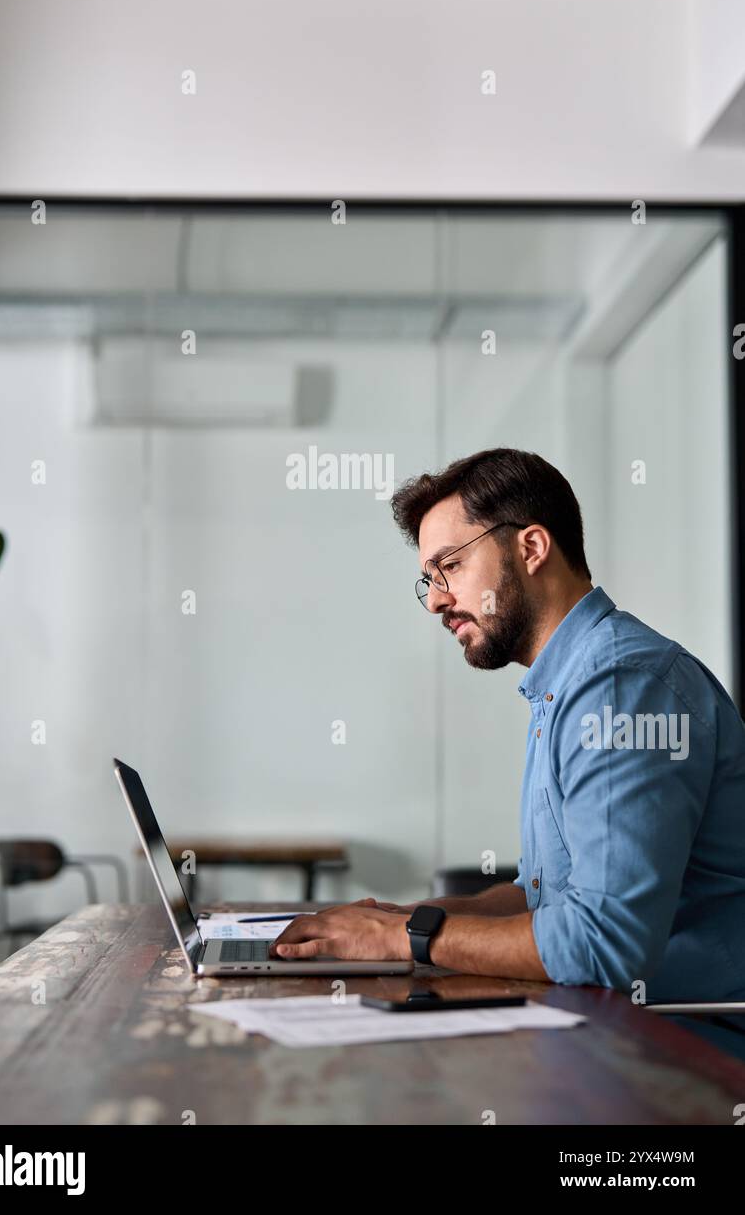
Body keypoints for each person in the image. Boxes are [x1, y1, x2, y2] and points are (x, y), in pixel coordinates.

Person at [270, 448, 745, 1057]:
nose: (437, 600)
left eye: (450, 566)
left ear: (531, 548)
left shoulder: (623, 685)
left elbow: (602, 944)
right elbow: (544, 893)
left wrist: (408, 938)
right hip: (612, 1032)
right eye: (429, 579)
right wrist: (402, 916)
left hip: (689, 1052)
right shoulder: (570, 681)